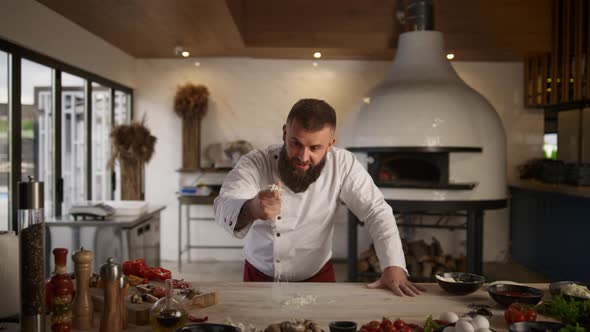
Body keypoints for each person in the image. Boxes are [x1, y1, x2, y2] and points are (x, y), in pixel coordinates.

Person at [214, 98, 424, 296]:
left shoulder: (343, 164)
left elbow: (375, 210)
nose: (303, 157)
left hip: (317, 277)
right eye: (295, 143)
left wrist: (393, 265)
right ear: (285, 133)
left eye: (315, 148)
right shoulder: (257, 162)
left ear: (331, 143)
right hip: (258, 276)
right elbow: (225, 203)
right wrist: (251, 208)